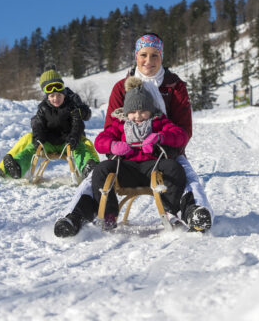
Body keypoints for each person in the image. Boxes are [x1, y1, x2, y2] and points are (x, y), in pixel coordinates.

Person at [54, 33, 213, 236]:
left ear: (162, 56)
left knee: (184, 175)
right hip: (125, 161)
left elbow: (183, 131)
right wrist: (113, 147)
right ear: (136, 56)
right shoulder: (121, 89)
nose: (149, 61)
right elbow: (107, 134)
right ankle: (75, 217)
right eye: (144, 55)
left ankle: (192, 212)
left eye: (155, 55)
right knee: (96, 175)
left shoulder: (174, 88)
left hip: (164, 154)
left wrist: (162, 142)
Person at [55, 77, 189, 235]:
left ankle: (172, 211)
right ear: (126, 112)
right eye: (132, 112)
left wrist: (160, 138)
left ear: (151, 111)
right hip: (125, 169)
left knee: (174, 168)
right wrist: (113, 146)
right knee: (101, 169)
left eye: (143, 111)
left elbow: (181, 135)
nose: (138, 116)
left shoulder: (159, 122)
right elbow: (100, 141)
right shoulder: (119, 125)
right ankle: (108, 214)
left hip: (154, 167)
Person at [0, 69, 99, 179]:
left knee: (83, 147)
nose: (55, 98)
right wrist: (38, 138)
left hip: (69, 142)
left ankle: (91, 168)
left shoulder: (72, 102)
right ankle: (15, 167)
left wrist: (75, 134)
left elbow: (79, 123)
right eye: (51, 94)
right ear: (46, 93)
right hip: (49, 142)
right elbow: (38, 124)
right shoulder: (43, 107)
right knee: (30, 146)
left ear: (63, 93)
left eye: (59, 94)